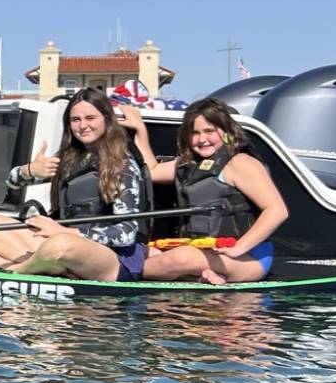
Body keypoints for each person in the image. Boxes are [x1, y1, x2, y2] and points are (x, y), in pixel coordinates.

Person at [0, 86, 150, 281]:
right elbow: (11, 183)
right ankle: (49, 266)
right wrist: (29, 170)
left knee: (60, 244)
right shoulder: (69, 159)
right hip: (62, 242)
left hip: (112, 256)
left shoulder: (123, 163)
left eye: (91, 118)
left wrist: (69, 232)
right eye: (75, 120)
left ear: (107, 120)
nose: (83, 126)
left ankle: (16, 268)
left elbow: (128, 232)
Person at [116, 99, 288, 283]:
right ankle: (205, 275)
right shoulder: (188, 165)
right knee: (148, 251)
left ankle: (115, 272)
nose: (202, 139)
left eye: (209, 131)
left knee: (183, 258)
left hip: (248, 258)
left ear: (227, 132)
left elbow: (277, 211)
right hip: (205, 251)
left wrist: (238, 248)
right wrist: (140, 130)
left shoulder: (240, 163)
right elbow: (152, 171)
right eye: (195, 133)